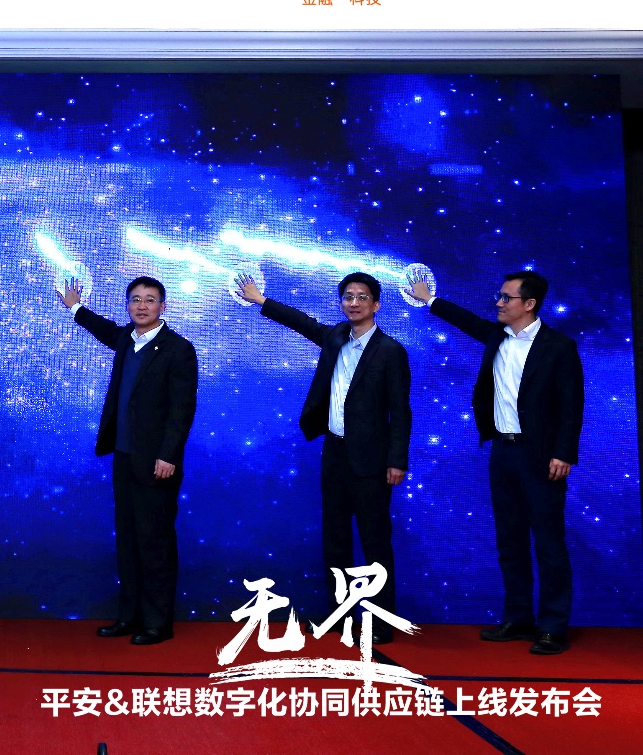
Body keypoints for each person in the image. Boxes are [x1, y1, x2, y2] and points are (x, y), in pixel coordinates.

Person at [407, 271, 583, 655]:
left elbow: (572, 406)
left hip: (541, 455)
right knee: (509, 539)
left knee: (549, 542)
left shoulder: (559, 346)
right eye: (499, 296)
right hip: (502, 451)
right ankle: (518, 617)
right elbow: (467, 320)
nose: (499, 303)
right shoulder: (497, 337)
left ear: (529, 304)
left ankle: (552, 627)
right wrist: (430, 300)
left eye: (506, 298)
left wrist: (564, 453)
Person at [240, 272, 411, 644]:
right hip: (334, 452)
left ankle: (382, 620)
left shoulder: (391, 351)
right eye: (348, 296)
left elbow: (401, 411)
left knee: (375, 541)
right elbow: (301, 322)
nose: (354, 302)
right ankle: (340, 613)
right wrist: (261, 300)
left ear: (376, 304)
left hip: (372, 459)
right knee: (335, 539)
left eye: (362, 297)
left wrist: (397, 460)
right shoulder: (335, 337)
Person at [63, 275, 198, 645]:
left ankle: (157, 623)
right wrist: (75, 306)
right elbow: (102, 328)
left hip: (157, 463)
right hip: (124, 457)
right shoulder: (126, 338)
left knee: (155, 541)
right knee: (128, 540)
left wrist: (168, 455)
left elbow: (182, 410)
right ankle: (129, 616)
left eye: (150, 300)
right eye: (135, 299)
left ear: (163, 307)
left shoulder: (178, 349)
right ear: (128, 305)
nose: (142, 306)